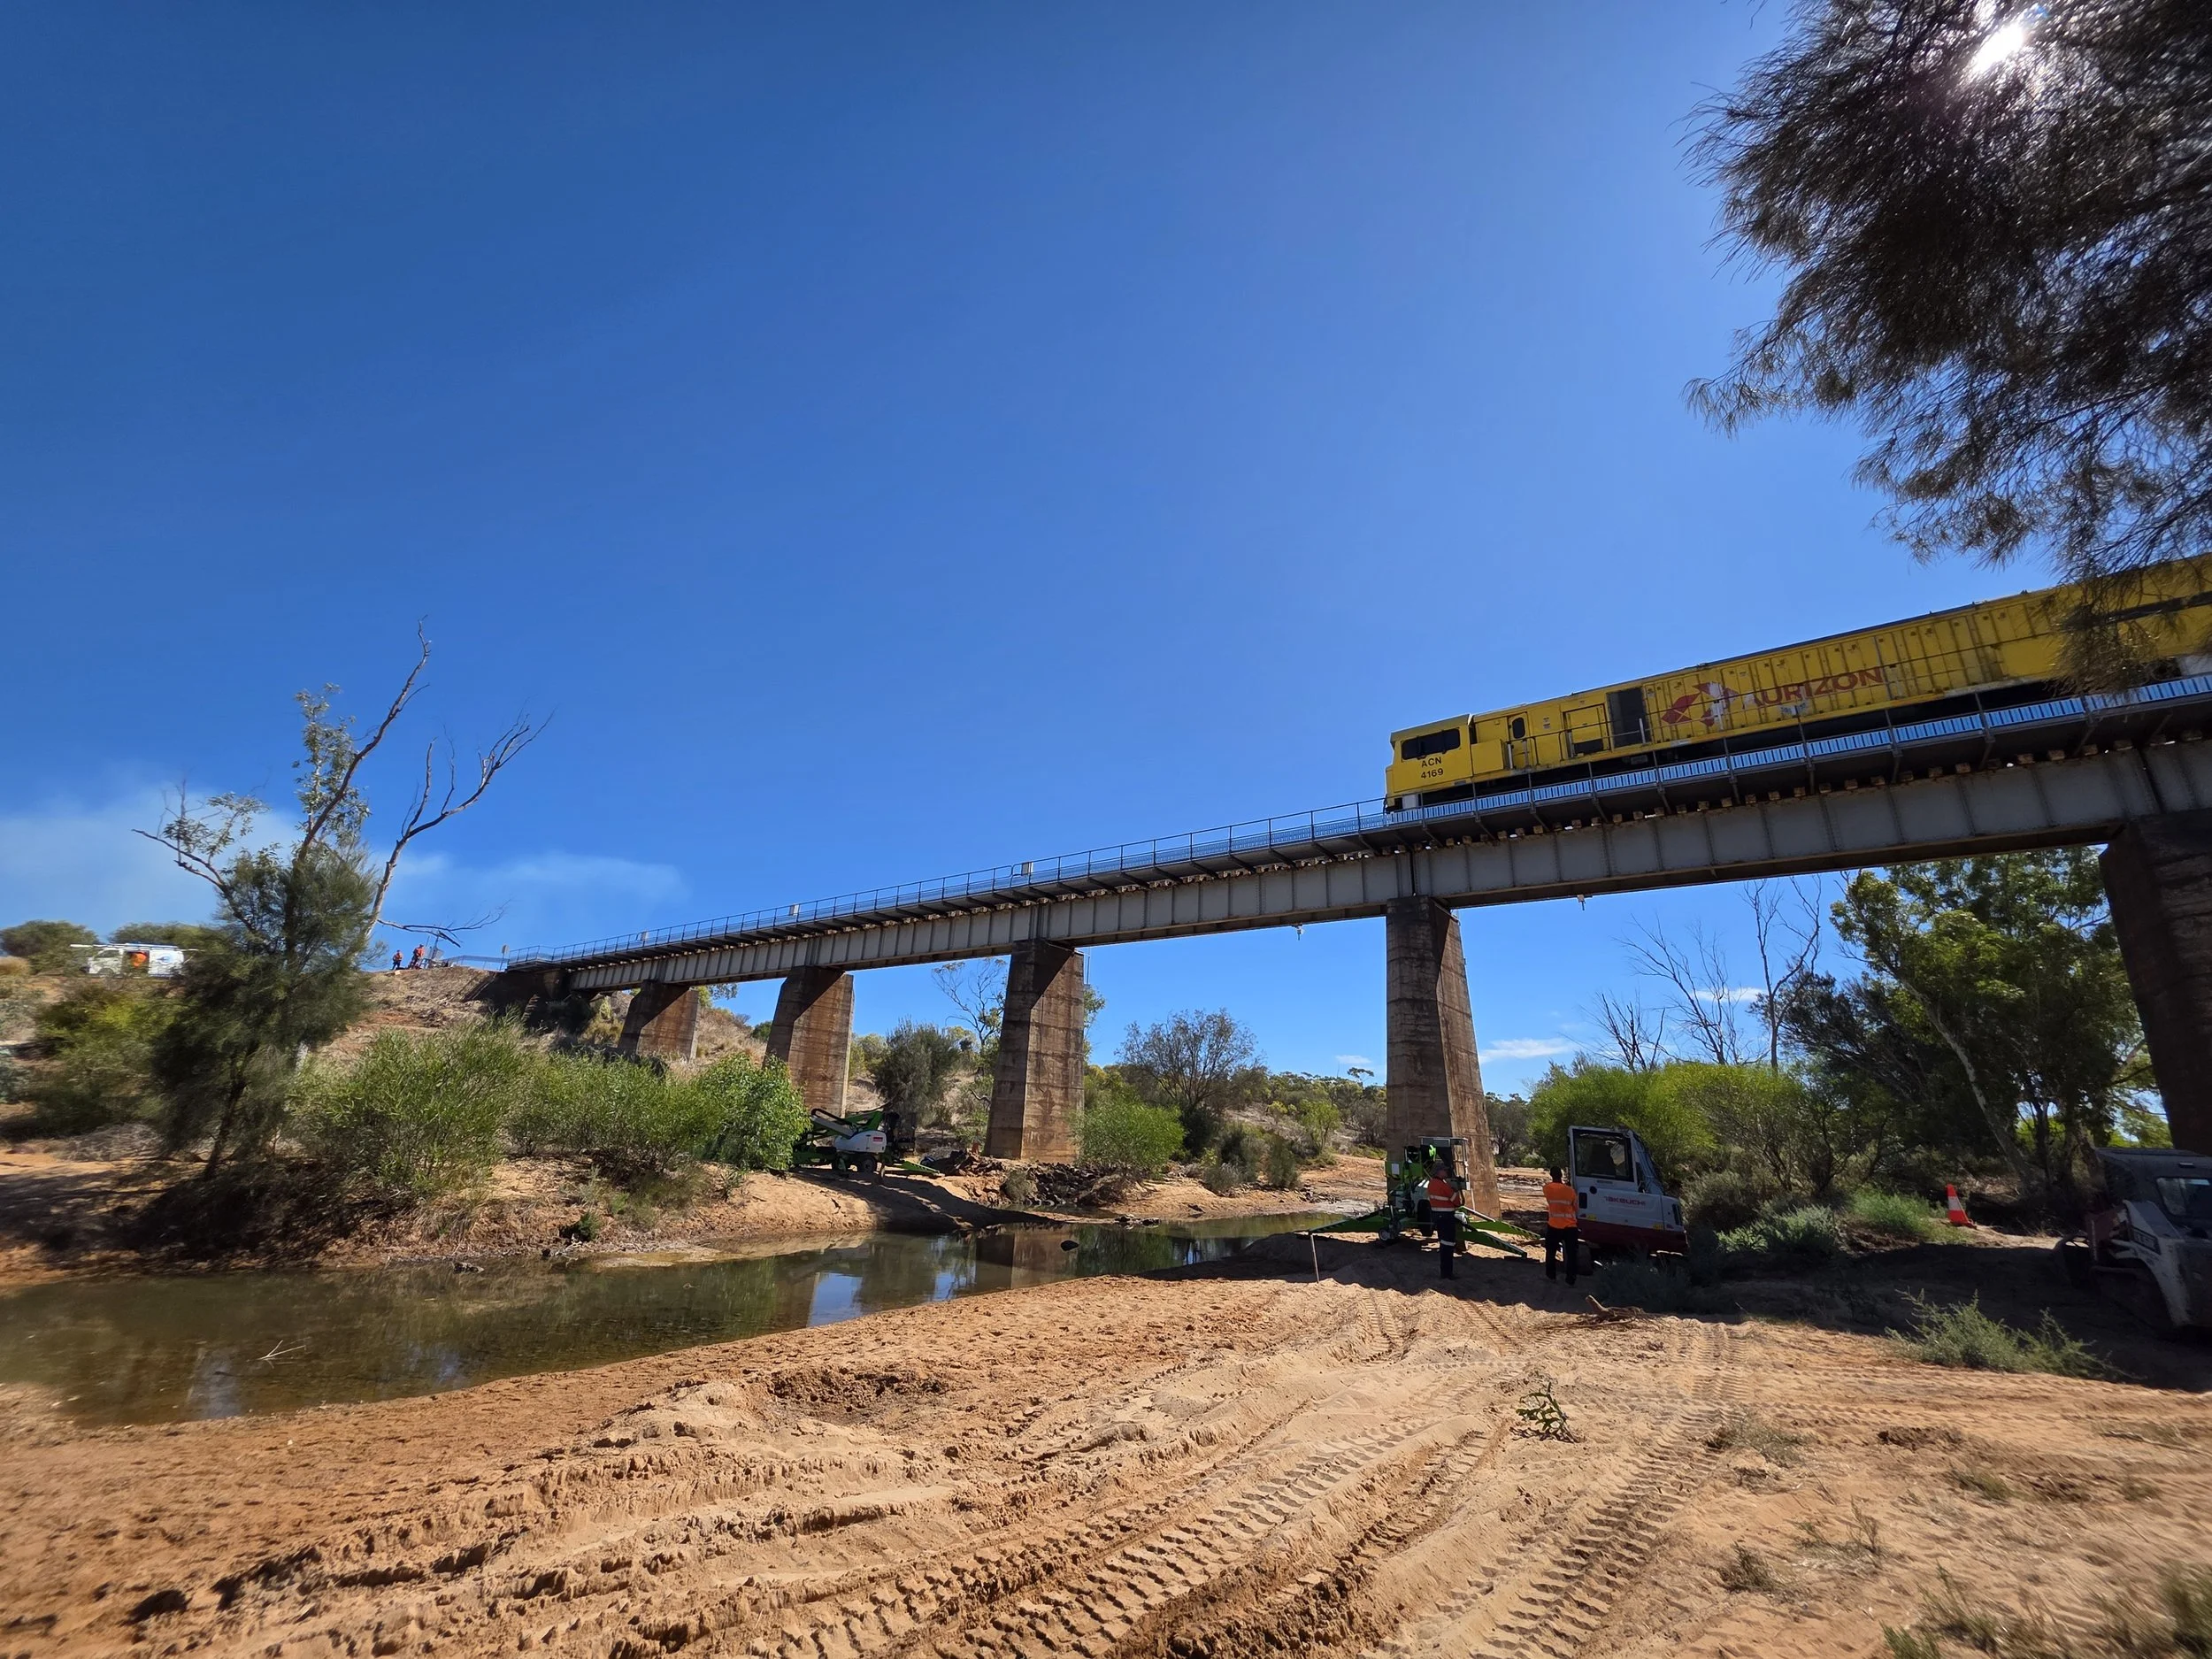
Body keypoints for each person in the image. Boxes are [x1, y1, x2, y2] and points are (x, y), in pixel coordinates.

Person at [1542, 1165, 1579, 1286]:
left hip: (1553, 1225)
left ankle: (1551, 1276)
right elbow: (1576, 1208)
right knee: (1571, 1254)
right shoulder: (1570, 1191)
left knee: (1550, 1251)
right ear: (1562, 1176)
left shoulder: (1547, 1189)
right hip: (1570, 1226)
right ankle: (1571, 1279)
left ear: (1551, 1175)